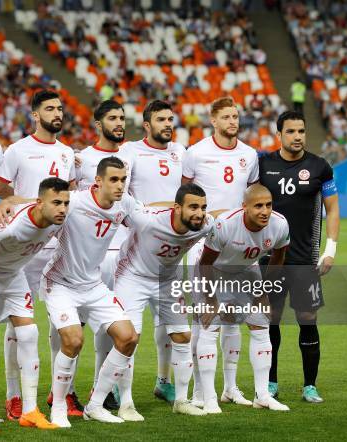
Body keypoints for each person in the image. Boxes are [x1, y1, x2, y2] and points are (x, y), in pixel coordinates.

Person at [0, 178, 70, 434]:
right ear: (41, 204)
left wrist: (8, 199)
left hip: (14, 275)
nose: (62, 208)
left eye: (65, 203)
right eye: (56, 203)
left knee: (29, 334)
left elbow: (24, 200)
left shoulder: (54, 218)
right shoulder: (11, 226)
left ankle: (30, 411)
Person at [0, 89, 82, 418]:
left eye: (60, 108)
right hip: (27, 248)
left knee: (63, 319)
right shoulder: (17, 151)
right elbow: (0, 189)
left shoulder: (66, 152)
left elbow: (69, 195)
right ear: (35, 114)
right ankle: (14, 395)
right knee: (19, 323)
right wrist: (25, 203)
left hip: (60, 247)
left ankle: (64, 393)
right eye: (50, 109)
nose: (57, 113)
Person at [41, 157, 139, 427]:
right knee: (73, 340)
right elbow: (40, 206)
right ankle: (59, 406)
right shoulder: (73, 202)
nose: (120, 186)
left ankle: (95, 404)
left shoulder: (125, 203)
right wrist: (7, 204)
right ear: (98, 181)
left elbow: (149, 218)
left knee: (128, 337)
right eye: (114, 180)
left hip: (93, 285)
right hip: (60, 283)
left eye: (123, 180)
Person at [113, 183, 222, 418]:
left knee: (182, 336)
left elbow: (221, 217)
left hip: (167, 280)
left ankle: (181, 401)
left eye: (203, 207)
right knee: (129, 339)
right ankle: (126, 403)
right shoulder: (148, 220)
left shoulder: (205, 225)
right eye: (193, 207)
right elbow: (126, 204)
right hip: (132, 277)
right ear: (177, 208)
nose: (199, 213)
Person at [182, 96, 259, 408]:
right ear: (212, 120)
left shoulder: (250, 154)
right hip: (203, 241)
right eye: (226, 116)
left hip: (237, 244)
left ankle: (230, 388)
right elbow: (184, 195)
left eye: (236, 116)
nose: (233, 121)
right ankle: (202, 392)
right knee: (205, 317)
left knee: (233, 318)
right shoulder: (195, 153)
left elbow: (252, 196)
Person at [259, 110, 340, 403]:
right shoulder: (263, 165)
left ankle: (310, 386)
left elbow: (332, 209)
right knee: (271, 318)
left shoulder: (320, 167)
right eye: (291, 131)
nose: (297, 137)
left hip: (305, 259)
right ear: (279, 134)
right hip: (270, 258)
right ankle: (269, 383)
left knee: (308, 317)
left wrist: (329, 250)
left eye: (301, 131)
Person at [196, 184, 291, 412]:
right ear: (244, 207)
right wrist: (211, 300)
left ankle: (262, 395)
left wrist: (263, 291)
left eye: (268, 205)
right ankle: (208, 398)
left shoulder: (280, 224)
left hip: (247, 270)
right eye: (258, 206)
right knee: (210, 327)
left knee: (261, 326)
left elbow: (279, 257)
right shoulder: (225, 225)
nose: (265, 211)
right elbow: (205, 263)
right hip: (213, 270)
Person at [122, 99, 186, 404]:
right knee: (126, 327)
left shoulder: (179, 152)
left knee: (168, 323)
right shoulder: (131, 151)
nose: (168, 124)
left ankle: (163, 381)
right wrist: (149, 215)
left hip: (172, 252)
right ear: (146, 125)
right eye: (161, 119)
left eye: (170, 119)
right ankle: (115, 389)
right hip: (135, 250)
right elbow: (121, 193)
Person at [74, 99, 133, 410]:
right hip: (86, 257)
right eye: (112, 118)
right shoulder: (82, 160)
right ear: (98, 124)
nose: (119, 123)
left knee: (111, 325)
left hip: (122, 254)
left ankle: (104, 387)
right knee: (76, 325)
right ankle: (67, 390)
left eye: (122, 117)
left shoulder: (130, 156)